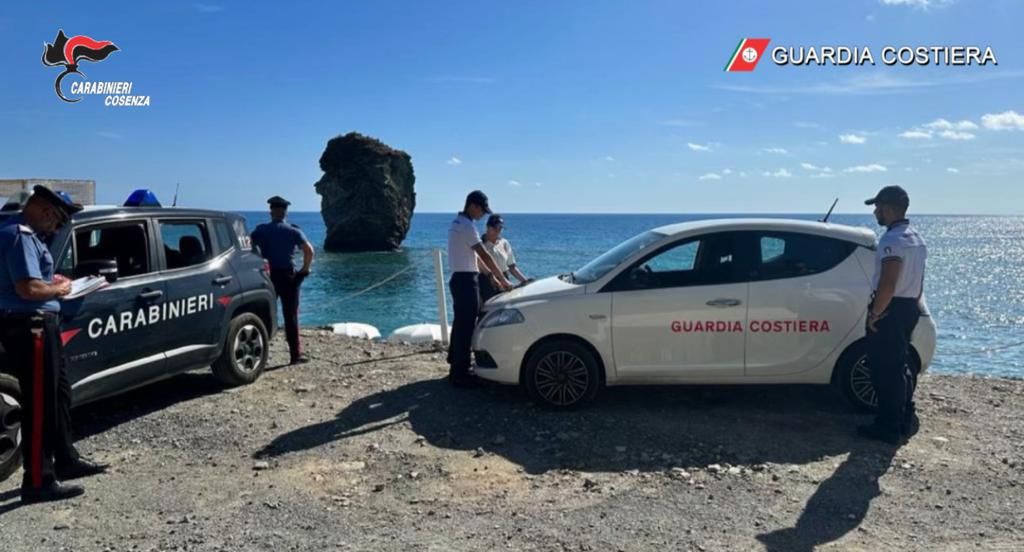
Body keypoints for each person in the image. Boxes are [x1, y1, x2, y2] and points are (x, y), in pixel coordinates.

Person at [0, 186, 108, 504]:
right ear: (47, 211)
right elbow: (29, 289)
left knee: (59, 393)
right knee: (39, 404)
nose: (57, 229)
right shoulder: (19, 235)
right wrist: (61, 289)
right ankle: (38, 481)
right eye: (58, 222)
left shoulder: (24, 235)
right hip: (30, 325)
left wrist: (54, 282)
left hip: (40, 324)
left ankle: (66, 458)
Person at [859, 185, 928, 444]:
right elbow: (919, 281)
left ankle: (887, 426)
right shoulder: (916, 238)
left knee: (884, 369)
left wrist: (876, 313)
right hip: (909, 306)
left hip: (891, 308)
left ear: (888, 209)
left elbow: (888, 282)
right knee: (900, 366)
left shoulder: (892, 240)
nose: (876, 212)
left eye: (878, 207)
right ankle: (903, 417)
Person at [446, 191, 512, 387]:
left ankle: (455, 364)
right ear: (473, 206)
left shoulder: (456, 223)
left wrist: (492, 277)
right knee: (466, 327)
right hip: (466, 280)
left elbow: (474, 257)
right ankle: (461, 373)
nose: (483, 215)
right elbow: (484, 255)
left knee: (460, 324)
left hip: (459, 278)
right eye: (482, 210)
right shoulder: (467, 226)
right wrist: (503, 279)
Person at [251, 195, 315, 364]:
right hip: (288, 276)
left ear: (271, 211)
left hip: (267, 276)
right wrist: (304, 269)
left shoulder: (260, 230)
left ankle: (258, 353)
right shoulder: (293, 231)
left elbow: (248, 248)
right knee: (291, 315)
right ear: (285, 212)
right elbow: (309, 251)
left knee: (264, 314)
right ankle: (295, 355)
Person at [477, 214, 530, 303]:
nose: (498, 231)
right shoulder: (480, 244)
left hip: (504, 277)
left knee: (506, 306)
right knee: (489, 307)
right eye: (495, 228)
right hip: (486, 280)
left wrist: (525, 281)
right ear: (488, 227)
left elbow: (512, 267)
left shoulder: (504, 243)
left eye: (500, 228)